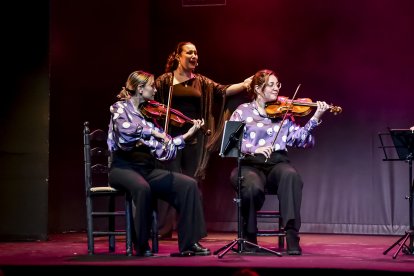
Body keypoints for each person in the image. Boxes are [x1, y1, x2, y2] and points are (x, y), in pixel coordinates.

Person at [107, 70, 210, 257]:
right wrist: (152, 133)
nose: (155, 90)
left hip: (146, 169)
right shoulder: (120, 108)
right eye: (152, 86)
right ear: (139, 88)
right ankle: (140, 244)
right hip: (122, 168)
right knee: (142, 188)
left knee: (188, 185)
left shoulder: (150, 116)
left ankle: (189, 243)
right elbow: (124, 134)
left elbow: (165, 152)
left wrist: (186, 135)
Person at [154, 41, 252, 238]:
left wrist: (244, 84)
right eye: (189, 52)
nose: (194, 56)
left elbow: (222, 90)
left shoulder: (201, 81)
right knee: (170, 180)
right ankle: (163, 229)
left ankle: (190, 228)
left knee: (191, 182)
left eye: (196, 53)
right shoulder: (164, 81)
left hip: (195, 138)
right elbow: (148, 100)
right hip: (170, 138)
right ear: (178, 56)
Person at [228, 69, 330, 255]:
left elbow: (302, 140)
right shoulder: (242, 111)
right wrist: (253, 149)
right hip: (250, 164)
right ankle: (249, 238)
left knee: (291, 176)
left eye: (278, 84)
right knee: (251, 186)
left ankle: (292, 236)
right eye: (271, 85)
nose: (277, 89)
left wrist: (315, 118)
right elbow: (229, 145)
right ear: (258, 89)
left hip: (276, 163)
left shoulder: (284, 113)